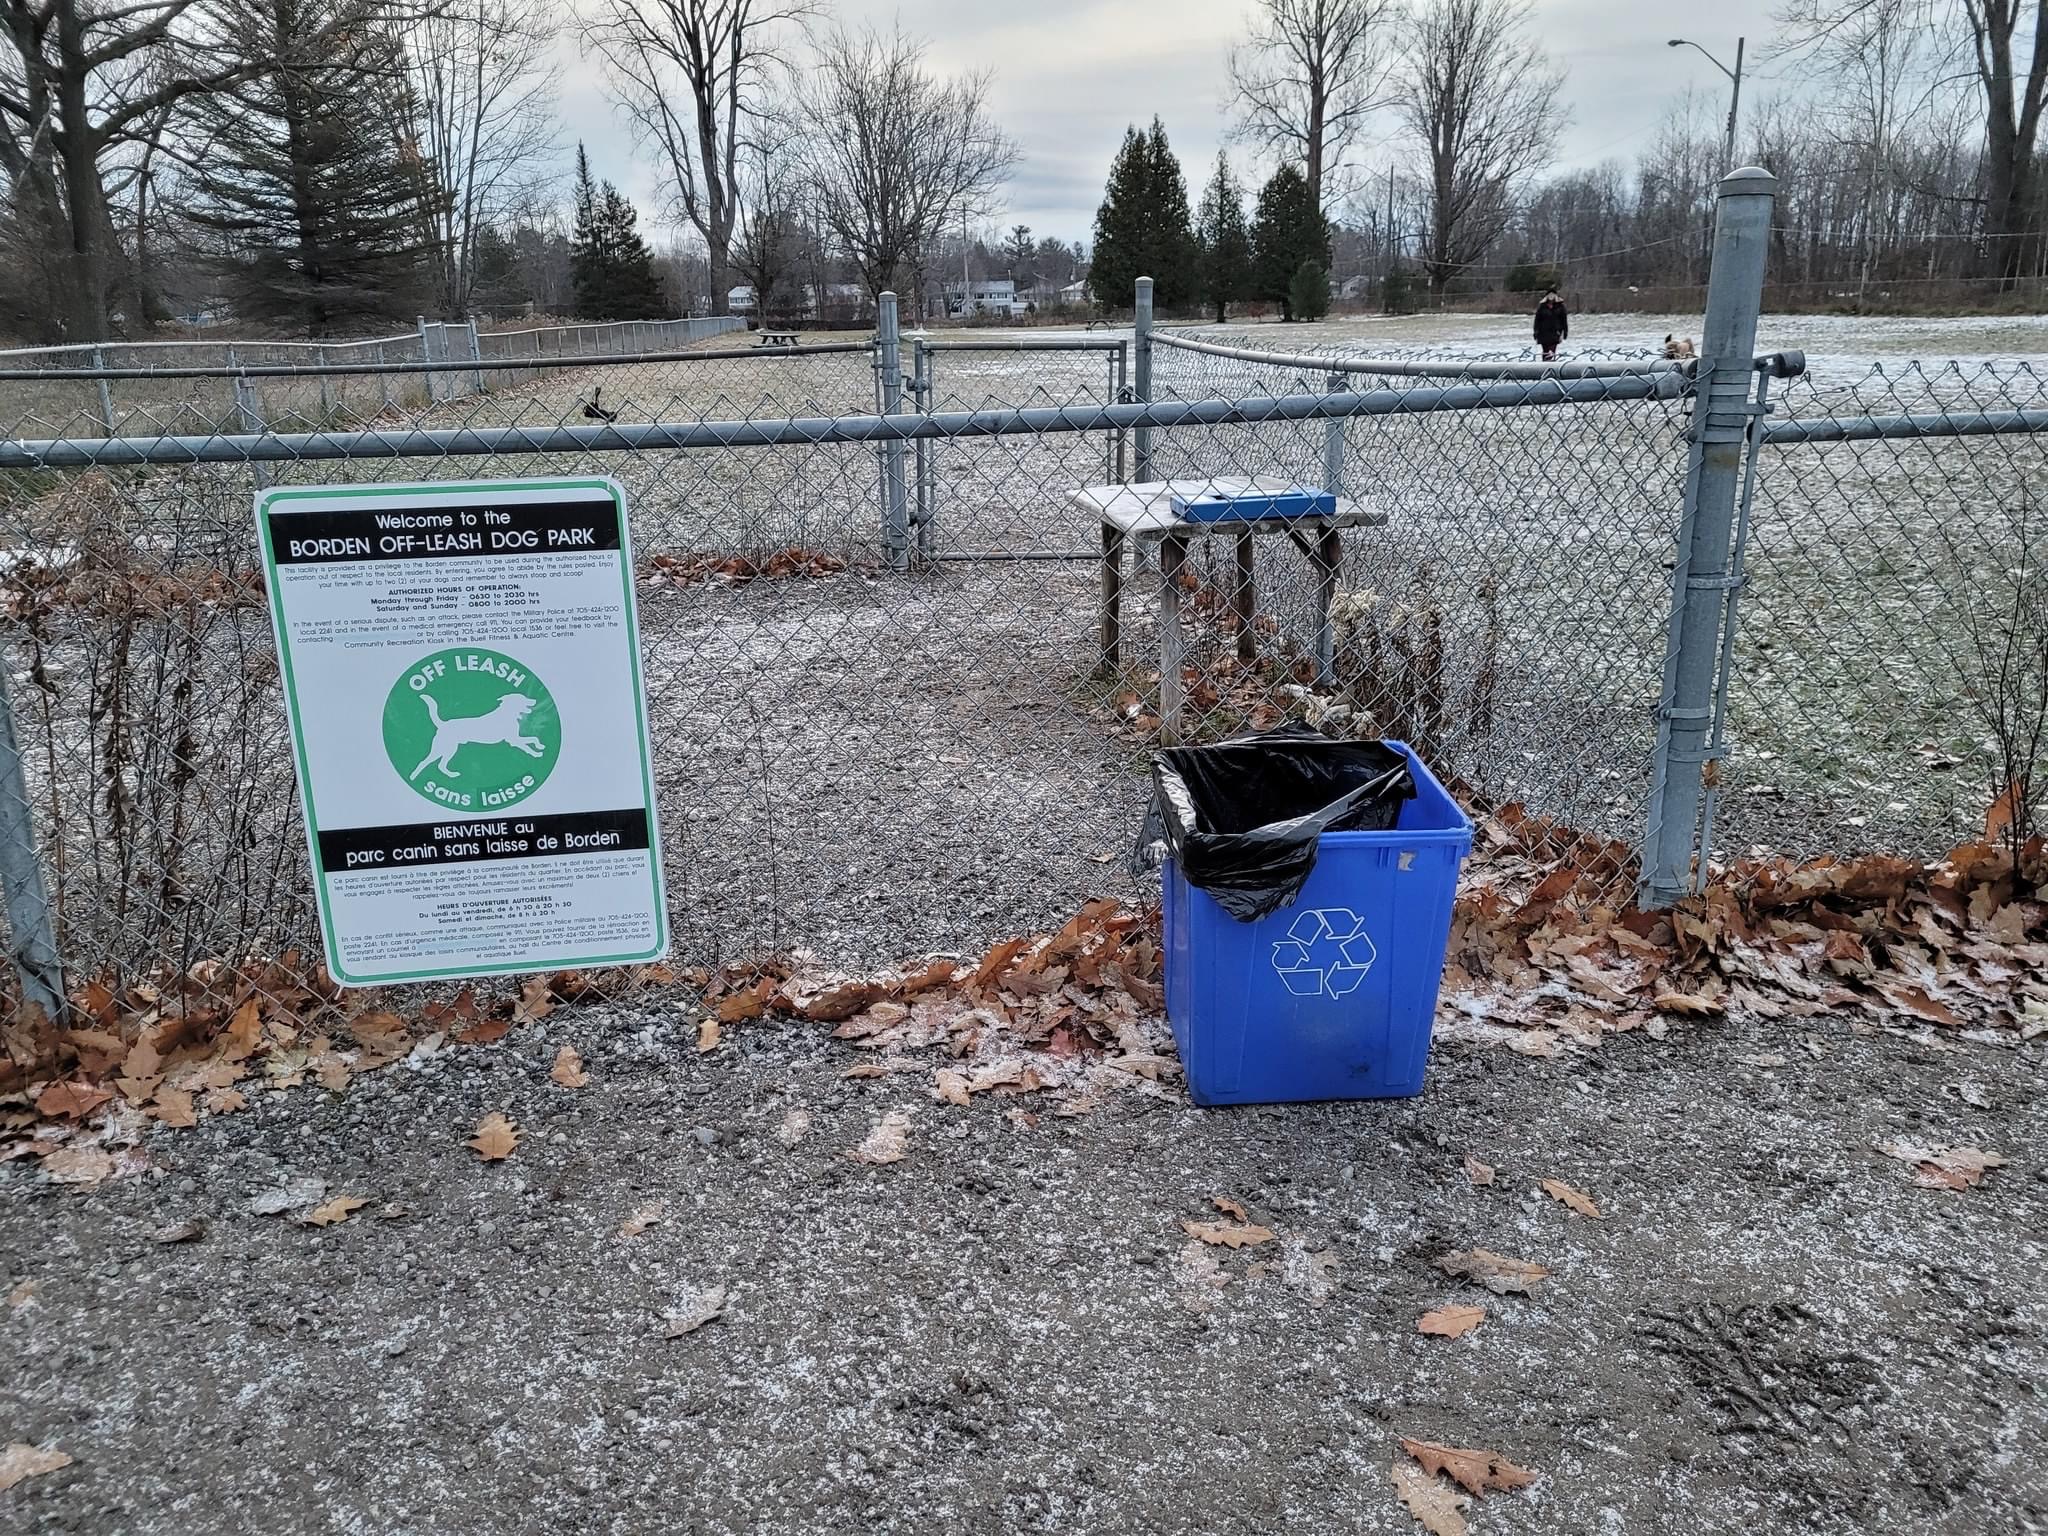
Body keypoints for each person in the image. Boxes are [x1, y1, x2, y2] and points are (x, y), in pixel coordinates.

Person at [1533, 287, 1569, 362]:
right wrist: (1535, 331)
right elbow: (1537, 320)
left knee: (1552, 350)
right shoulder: (1542, 307)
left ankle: (1551, 363)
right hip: (1543, 333)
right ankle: (1544, 365)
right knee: (1545, 351)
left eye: (1553, 295)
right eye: (1549, 295)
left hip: (1555, 332)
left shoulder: (1560, 306)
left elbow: (1564, 320)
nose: (1551, 297)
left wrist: (1565, 332)